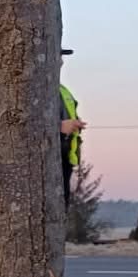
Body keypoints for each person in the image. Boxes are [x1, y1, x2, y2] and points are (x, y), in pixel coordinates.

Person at [59, 48, 86, 205]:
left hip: (64, 161)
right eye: (58, 55)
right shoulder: (36, 87)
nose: (61, 61)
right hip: (47, 161)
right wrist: (59, 127)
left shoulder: (62, 90)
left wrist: (75, 123)